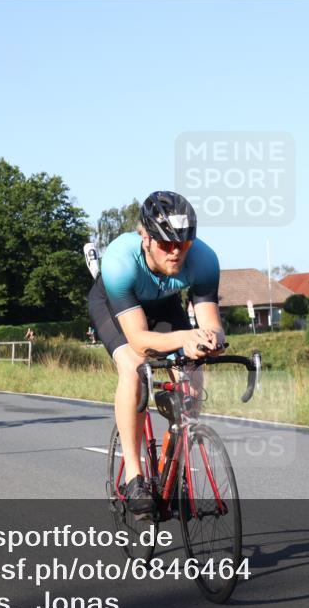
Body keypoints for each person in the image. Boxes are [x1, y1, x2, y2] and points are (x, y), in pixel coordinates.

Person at [87, 191, 224, 516]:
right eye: (166, 244)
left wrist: (210, 340)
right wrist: (186, 336)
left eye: (184, 243)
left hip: (164, 305)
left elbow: (210, 324)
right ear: (145, 238)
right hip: (114, 304)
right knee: (134, 366)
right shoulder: (121, 261)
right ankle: (134, 476)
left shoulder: (205, 260)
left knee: (191, 371)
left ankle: (175, 465)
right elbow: (139, 341)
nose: (176, 252)